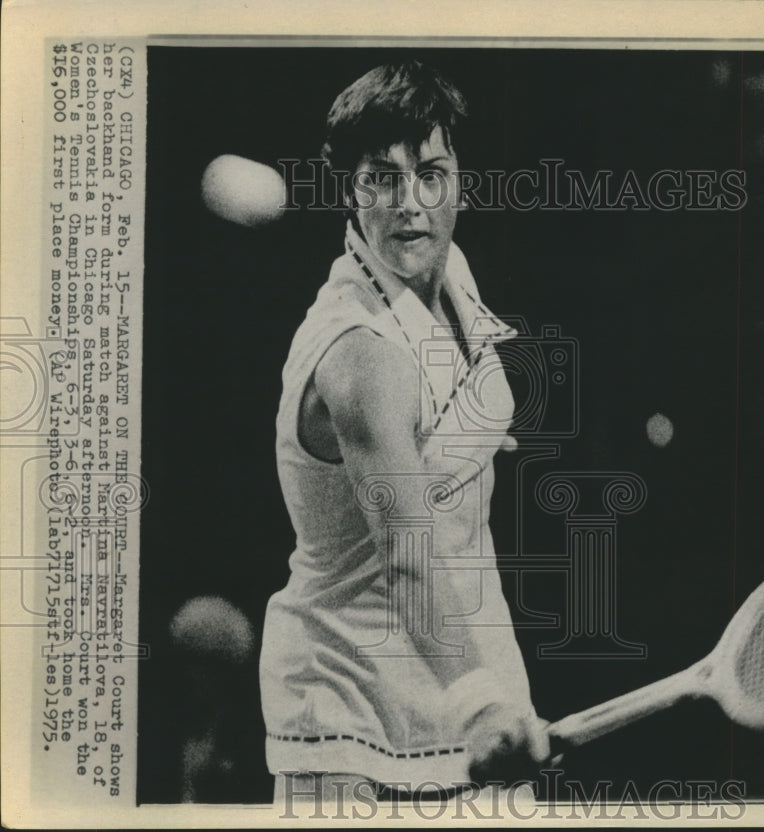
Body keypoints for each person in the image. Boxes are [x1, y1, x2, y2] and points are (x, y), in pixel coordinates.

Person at [259, 61, 549, 803]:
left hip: (465, 684)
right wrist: (481, 704)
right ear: (350, 193)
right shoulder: (363, 358)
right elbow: (406, 553)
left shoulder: (451, 274)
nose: (410, 203)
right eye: (380, 179)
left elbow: (450, 421)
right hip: (353, 719)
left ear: (460, 180)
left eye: (431, 173)